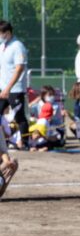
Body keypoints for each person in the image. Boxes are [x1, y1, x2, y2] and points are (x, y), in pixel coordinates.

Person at [0, 20, 29, 150]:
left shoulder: (18, 46)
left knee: (19, 117)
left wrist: (8, 88)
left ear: (8, 32)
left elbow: (19, 69)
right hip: (2, 87)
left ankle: (24, 143)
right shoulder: (2, 45)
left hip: (15, 89)